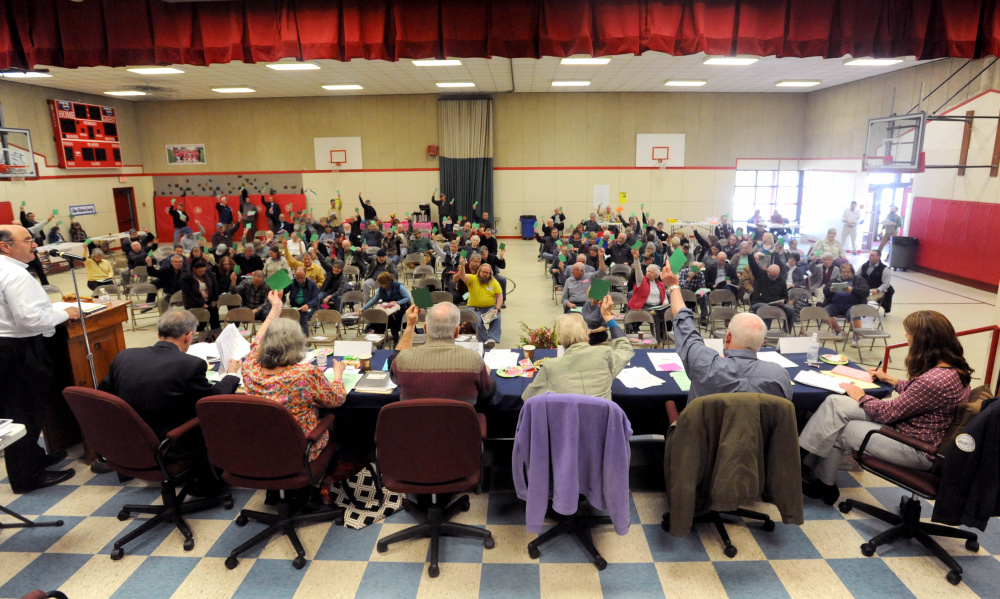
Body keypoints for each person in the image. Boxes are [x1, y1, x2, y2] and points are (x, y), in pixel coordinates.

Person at [800, 310, 972, 505]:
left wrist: (861, 396)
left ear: (924, 340)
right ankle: (804, 460)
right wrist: (891, 380)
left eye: (909, 333)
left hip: (916, 447)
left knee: (842, 428)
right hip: (912, 428)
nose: (906, 337)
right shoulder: (953, 369)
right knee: (835, 402)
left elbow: (888, 413)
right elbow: (921, 396)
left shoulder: (933, 380)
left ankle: (823, 485)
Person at [98, 310, 240, 488]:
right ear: (188, 336)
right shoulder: (190, 365)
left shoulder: (124, 356)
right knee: (221, 418)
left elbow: (103, 392)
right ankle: (212, 481)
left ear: (158, 334)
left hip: (129, 441)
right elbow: (212, 402)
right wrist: (232, 375)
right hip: (169, 445)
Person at [0, 225, 78, 493]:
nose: (34, 245)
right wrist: (65, 313)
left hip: (6, 347)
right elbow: (30, 320)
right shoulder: (15, 275)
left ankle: (35, 459)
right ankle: (27, 477)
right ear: (5, 246)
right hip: (19, 350)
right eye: (28, 240)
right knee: (24, 414)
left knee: (19, 411)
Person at [660, 260, 793, 400]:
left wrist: (673, 286)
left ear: (727, 337)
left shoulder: (704, 363)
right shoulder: (779, 376)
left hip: (707, 423)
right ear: (762, 343)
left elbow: (684, 323)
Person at [242, 290, 347, 462]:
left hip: (261, 447)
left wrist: (276, 307)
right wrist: (338, 375)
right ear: (298, 345)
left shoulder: (250, 366)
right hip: (300, 450)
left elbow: (258, 339)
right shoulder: (304, 373)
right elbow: (336, 399)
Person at [522, 296, 633, 400]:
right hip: (601, 419)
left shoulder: (549, 367)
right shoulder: (606, 356)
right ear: (587, 334)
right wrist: (608, 317)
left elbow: (528, 398)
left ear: (559, 340)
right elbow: (626, 348)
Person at [390, 303, 496, 408]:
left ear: (425, 328)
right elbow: (487, 394)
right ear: (456, 332)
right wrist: (485, 374)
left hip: (415, 424)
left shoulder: (402, 360)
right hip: (460, 424)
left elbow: (393, 361)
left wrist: (410, 324)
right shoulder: (475, 360)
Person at [453, 258, 503, 348]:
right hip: (473, 309)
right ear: (479, 271)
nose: (485, 274)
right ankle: (485, 342)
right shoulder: (473, 279)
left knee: (497, 318)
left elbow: (499, 296)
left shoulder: (494, 282)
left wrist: (497, 309)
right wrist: (463, 265)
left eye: (487, 273)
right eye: (483, 272)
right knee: (477, 321)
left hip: (489, 308)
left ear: (490, 274)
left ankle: (491, 338)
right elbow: (462, 276)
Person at [822, 262, 870, 344]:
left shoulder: (859, 280)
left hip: (853, 305)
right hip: (836, 305)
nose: (845, 274)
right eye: (843, 272)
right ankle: (838, 330)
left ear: (852, 272)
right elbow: (825, 290)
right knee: (824, 313)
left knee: (854, 313)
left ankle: (856, 336)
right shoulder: (835, 280)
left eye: (847, 272)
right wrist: (830, 289)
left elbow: (866, 292)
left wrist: (853, 289)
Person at [627, 249, 669, 341]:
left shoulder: (661, 284)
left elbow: (665, 298)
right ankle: (658, 341)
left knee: (670, 307)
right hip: (645, 306)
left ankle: (659, 337)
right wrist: (636, 259)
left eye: (651, 272)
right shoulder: (641, 281)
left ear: (656, 275)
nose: (648, 273)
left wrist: (665, 303)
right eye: (648, 271)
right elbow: (638, 271)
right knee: (655, 317)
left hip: (658, 307)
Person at [747, 253, 795, 333]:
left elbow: (785, 297)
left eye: (775, 276)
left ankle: (787, 332)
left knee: (790, 310)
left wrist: (783, 302)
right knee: (768, 309)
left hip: (776, 304)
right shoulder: (761, 275)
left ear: (778, 274)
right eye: (771, 275)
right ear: (767, 271)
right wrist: (750, 253)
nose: (773, 278)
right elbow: (752, 264)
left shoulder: (781, 281)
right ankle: (765, 333)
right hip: (759, 303)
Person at [363, 271, 411, 340]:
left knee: (392, 317)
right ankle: (379, 337)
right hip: (387, 310)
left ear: (387, 282)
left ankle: (395, 337)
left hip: (400, 310)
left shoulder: (399, 286)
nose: (380, 285)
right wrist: (364, 308)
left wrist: (398, 302)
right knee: (379, 316)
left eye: (382, 284)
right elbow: (374, 300)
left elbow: (407, 298)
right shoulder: (381, 289)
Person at [181, 259, 220, 330]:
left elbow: (215, 286)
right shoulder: (186, 278)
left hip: (209, 301)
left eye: (203, 271)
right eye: (200, 271)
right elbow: (189, 294)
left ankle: (215, 336)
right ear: (194, 269)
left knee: (215, 322)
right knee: (200, 325)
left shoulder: (209, 274)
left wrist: (214, 299)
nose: (202, 273)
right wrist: (201, 303)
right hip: (194, 303)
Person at [280, 267, 320, 335]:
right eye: (298, 278)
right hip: (295, 307)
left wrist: (308, 305)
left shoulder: (312, 284)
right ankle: (287, 337)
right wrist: (281, 301)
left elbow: (316, 298)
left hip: (309, 308)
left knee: (302, 316)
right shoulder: (292, 282)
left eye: (302, 278)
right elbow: (283, 291)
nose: (300, 280)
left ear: (305, 275)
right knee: (283, 315)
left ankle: (305, 337)